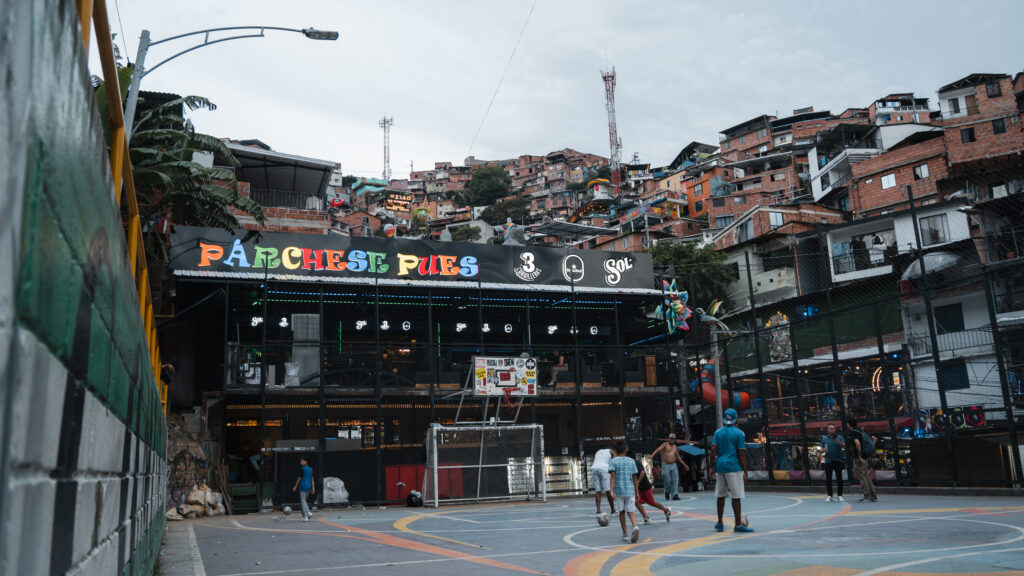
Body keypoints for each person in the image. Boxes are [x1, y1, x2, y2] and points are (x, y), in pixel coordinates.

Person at [710, 408, 754, 533]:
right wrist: (745, 472)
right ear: (736, 418)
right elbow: (741, 454)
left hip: (720, 467)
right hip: (734, 468)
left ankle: (719, 522)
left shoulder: (718, 432)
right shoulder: (739, 433)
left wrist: (712, 466)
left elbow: (713, 450)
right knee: (736, 497)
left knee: (720, 495)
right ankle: (738, 525)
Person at [607, 441, 640, 543]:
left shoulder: (613, 462)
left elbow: (612, 476)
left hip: (619, 491)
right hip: (630, 490)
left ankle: (625, 534)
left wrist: (611, 490)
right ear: (626, 450)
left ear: (615, 451)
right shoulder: (631, 461)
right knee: (631, 511)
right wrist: (637, 491)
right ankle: (635, 527)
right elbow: (634, 477)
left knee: (621, 512)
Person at [627, 450, 672, 525]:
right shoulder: (631, 464)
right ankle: (646, 517)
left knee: (651, 502)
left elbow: (642, 472)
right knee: (637, 502)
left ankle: (666, 510)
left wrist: (637, 482)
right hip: (639, 487)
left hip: (645, 486)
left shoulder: (637, 463)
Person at [847, 418, 877, 502]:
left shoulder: (853, 433)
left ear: (849, 424)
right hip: (865, 457)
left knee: (861, 476)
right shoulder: (861, 431)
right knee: (866, 475)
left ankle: (866, 496)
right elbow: (874, 439)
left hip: (859, 458)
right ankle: (873, 495)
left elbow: (857, 443)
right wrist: (867, 452)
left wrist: (859, 456)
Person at [652, 433, 689, 500]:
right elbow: (658, 449)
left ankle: (675, 494)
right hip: (665, 465)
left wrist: (685, 465)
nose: (672, 440)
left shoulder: (675, 447)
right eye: (671, 438)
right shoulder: (665, 444)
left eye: (673, 439)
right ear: (668, 439)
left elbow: (678, 457)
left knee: (675, 480)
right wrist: (652, 455)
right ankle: (667, 491)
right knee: (667, 481)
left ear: (675, 440)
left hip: (673, 465)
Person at [820, 423, 845, 502]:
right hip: (828, 461)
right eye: (830, 428)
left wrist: (838, 442)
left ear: (835, 429)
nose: (831, 430)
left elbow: (844, 446)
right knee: (828, 479)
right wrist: (823, 450)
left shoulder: (840, 437)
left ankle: (840, 495)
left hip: (838, 460)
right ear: (827, 430)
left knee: (839, 478)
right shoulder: (824, 438)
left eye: (833, 428)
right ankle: (829, 495)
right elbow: (821, 450)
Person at [591, 446, 615, 525]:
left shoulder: (598, 451)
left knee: (598, 491)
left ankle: (598, 510)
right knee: (608, 490)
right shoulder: (611, 451)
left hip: (594, 468)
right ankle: (613, 510)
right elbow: (613, 460)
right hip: (604, 469)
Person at [292, 457, 315, 521]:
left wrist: (295, 486)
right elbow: (312, 479)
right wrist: (313, 487)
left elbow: (299, 478)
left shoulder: (302, 469)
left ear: (306, 461)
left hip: (303, 486)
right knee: (304, 500)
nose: (301, 462)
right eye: (300, 461)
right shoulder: (311, 469)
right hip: (309, 486)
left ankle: (306, 516)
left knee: (303, 501)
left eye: (302, 461)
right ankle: (308, 512)